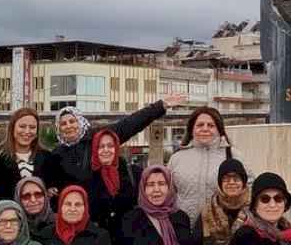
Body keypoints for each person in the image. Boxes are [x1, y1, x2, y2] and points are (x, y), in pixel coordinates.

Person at [45, 95, 186, 215]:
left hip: (110, 212)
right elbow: (51, 186)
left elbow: (129, 124)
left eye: (72, 121)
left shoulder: (97, 138)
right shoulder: (56, 154)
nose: (68, 126)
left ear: (80, 121)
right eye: (63, 124)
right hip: (80, 216)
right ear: (59, 128)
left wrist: (161, 106)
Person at [169, 106, 247, 224]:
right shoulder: (176, 159)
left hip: (222, 231)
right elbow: (169, 195)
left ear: (219, 129)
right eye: (200, 125)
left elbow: (248, 190)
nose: (205, 129)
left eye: (211, 125)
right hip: (184, 230)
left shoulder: (234, 156)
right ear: (192, 129)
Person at [118, 167, 198, 245]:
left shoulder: (181, 216)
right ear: (143, 189)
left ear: (169, 188)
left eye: (162, 184)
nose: (156, 189)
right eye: (150, 185)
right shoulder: (131, 220)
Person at [85, 129, 145, 232]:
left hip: (130, 236)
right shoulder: (86, 176)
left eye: (110, 146)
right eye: (101, 146)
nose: (106, 150)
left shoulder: (132, 172)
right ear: (94, 149)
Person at [0, 109, 51, 206]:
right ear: (12, 128)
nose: (27, 131)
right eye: (22, 126)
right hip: (8, 218)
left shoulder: (47, 157)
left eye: (32, 127)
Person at [230, 174, 291, 245]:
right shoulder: (246, 236)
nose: (272, 205)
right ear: (255, 205)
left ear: (285, 203)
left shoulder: (287, 232)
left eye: (278, 198)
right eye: (265, 199)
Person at [200, 160, 251, 245]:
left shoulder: (255, 207)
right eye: (226, 179)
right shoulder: (208, 210)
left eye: (236, 178)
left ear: (243, 182)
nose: (231, 182)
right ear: (220, 183)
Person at [38, 186, 110, 245]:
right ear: (60, 207)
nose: (72, 209)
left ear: (85, 208)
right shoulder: (45, 234)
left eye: (78, 204)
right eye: (68, 204)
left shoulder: (99, 236)